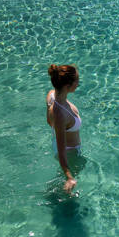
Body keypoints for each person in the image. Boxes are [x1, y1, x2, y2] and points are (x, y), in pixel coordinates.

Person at [46, 64, 82, 193]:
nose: (78, 83)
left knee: (62, 182)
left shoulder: (51, 96)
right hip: (69, 152)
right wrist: (69, 177)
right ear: (68, 86)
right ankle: (53, 196)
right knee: (67, 185)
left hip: (58, 142)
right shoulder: (61, 114)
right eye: (77, 81)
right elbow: (61, 152)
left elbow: (48, 120)